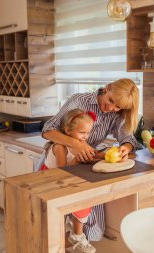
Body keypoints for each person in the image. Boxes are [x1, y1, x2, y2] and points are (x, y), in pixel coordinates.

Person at [41, 78, 140, 243]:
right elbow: (47, 130)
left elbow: (127, 138)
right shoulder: (79, 101)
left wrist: (126, 148)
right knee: (54, 220)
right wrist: (76, 143)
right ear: (107, 88)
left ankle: (76, 238)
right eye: (111, 101)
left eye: (117, 107)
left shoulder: (115, 112)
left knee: (81, 211)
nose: (111, 108)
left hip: (84, 162)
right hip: (60, 158)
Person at [42, 109, 99, 253]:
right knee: (54, 224)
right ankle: (75, 236)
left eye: (88, 133)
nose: (85, 137)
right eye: (82, 133)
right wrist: (77, 159)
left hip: (67, 183)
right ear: (67, 130)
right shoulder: (60, 147)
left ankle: (76, 234)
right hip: (52, 184)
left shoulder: (80, 144)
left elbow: (94, 154)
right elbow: (63, 171)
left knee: (86, 198)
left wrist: (113, 154)